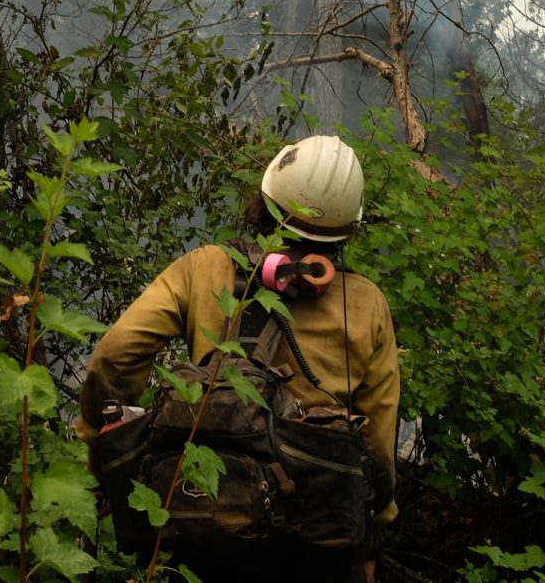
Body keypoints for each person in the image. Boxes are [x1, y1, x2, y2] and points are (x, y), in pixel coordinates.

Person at [78, 135, 399, 583]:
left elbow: (116, 354)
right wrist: (373, 531)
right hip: (313, 541)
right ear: (349, 229)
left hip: (200, 516)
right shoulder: (366, 304)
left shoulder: (205, 267)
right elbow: (379, 442)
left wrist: (102, 456)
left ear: (264, 201)